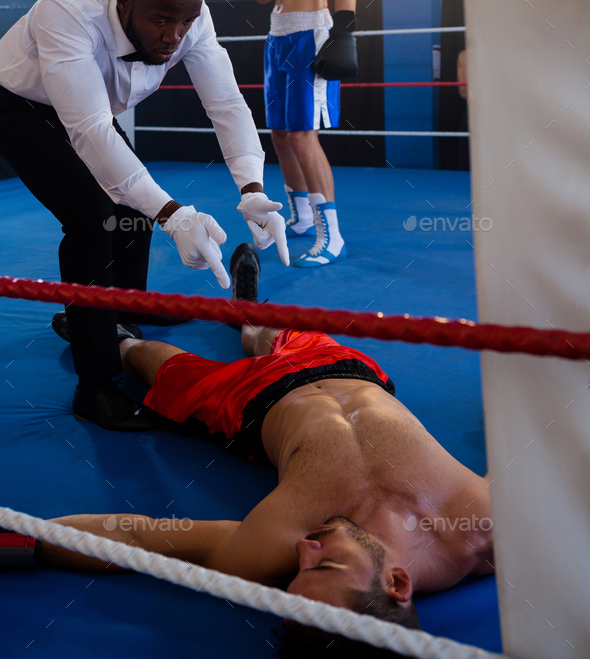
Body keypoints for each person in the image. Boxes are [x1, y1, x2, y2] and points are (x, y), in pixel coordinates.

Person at [19, 244, 494, 654]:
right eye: (324, 563)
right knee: (264, 330)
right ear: (396, 582)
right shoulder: (483, 527)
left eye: (297, 574)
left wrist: (17, 540)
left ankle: (115, 340)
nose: (304, 550)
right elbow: (530, 447)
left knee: (166, 371)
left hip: (254, 405)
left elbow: (137, 537)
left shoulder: (269, 549)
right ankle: (245, 308)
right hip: (347, 369)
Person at [0, 0, 288, 431]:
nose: (174, 36)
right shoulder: (68, 11)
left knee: (131, 202)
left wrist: (252, 187)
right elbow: (90, 130)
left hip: (86, 103)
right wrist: (174, 215)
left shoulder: (190, 16)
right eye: (161, 21)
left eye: (185, 21)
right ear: (124, 3)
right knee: (93, 216)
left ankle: (125, 311)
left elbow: (226, 103)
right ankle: (94, 386)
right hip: (19, 103)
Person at [225, 0, 358, 268]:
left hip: (310, 31)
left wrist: (344, 32)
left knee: (303, 135)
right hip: (277, 33)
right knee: (280, 134)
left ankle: (331, 236)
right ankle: (301, 217)